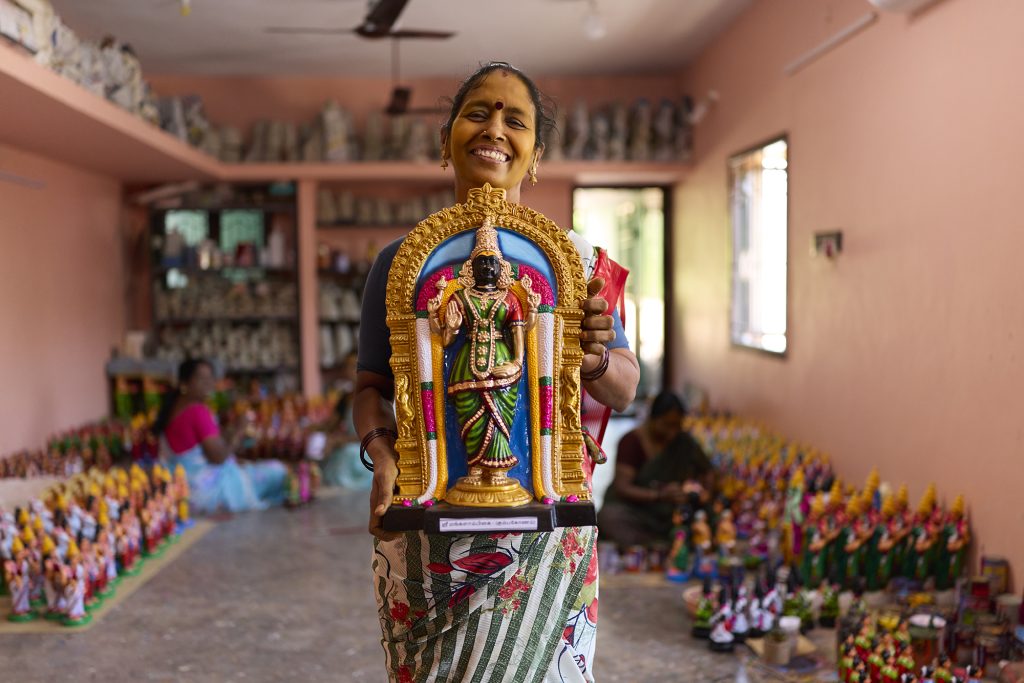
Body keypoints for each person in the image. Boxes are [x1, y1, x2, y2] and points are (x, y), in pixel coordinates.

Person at [354, 62, 640, 683]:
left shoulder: (573, 261)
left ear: (535, 154)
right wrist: (381, 453)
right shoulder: (402, 262)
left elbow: (624, 386)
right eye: (478, 113)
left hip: (544, 537)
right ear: (447, 140)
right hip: (428, 533)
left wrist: (591, 354)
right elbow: (370, 390)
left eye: (516, 121)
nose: (494, 130)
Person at [153, 359, 287, 514]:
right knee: (278, 470)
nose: (209, 383)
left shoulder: (174, 408)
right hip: (206, 493)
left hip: (184, 493)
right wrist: (239, 429)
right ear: (185, 383)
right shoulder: (197, 411)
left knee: (250, 470)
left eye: (211, 378)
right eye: (201, 378)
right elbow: (219, 457)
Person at [596, 391, 714, 548]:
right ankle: (655, 544)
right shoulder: (632, 441)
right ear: (652, 419)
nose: (672, 432)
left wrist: (704, 494)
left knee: (706, 516)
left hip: (672, 512)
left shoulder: (684, 441)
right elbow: (623, 487)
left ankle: (668, 542)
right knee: (609, 517)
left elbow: (708, 471)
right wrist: (659, 495)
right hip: (638, 511)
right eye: (667, 425)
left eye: (677, 425)